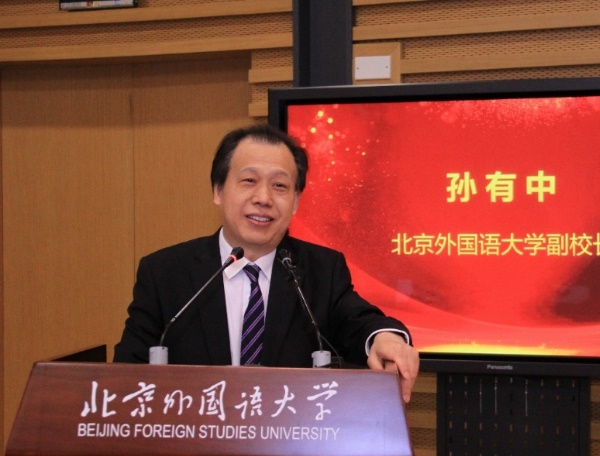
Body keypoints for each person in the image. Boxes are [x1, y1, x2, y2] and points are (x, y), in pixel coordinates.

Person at [114, 124, 419, 402]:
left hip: (290, 439)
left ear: (296, 201)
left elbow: (359, 321)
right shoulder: (165, 273)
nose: (263, 198)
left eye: (280, 186)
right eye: (249, 181)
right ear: (218, 190)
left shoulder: (321, 270)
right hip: (196, 439)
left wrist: (385, 338)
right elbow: (126, 376)